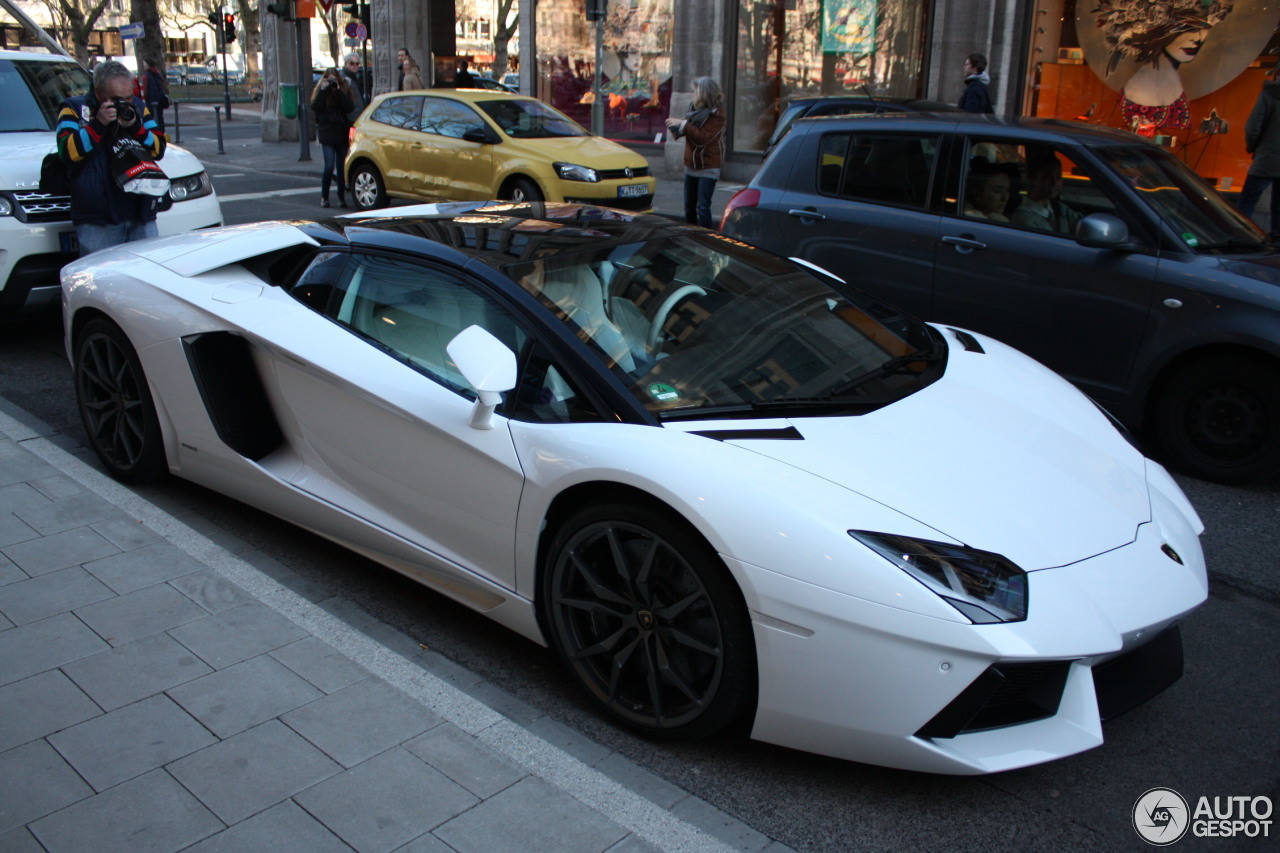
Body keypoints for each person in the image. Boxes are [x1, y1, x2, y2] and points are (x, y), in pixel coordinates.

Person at [56, 60, 166, 256]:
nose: (124, 104)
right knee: (100, 278)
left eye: (128, 98)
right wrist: (98, 124)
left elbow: (158, 149)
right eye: (115, 99)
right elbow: (67, 152)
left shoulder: (139, 108)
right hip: (97, 220)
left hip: (140, 213)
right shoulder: (73, 108)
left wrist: (135, 126)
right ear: (98, 93)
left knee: (147, 276)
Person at [1093, 0, 1232, 130]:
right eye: (1189, 28)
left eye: (1205, 28)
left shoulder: (1172, 83)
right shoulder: (1144, 88)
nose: (1199, 38)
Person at [665, 77, 726, 228]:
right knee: (689, 206)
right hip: (691, 164)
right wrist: (675, 128)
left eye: (695, 91)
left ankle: (707, 240)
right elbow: (688, 132)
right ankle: (692, 238)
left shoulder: (717, 115)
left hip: (708, 165)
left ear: (704, 93)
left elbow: (702, 138)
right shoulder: (694, 109)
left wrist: (683, 124)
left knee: (702, 207)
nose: (693, 94)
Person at [1239, 71, 1280, 237]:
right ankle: (1277, 240)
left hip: (1268, 156)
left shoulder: (1269, 94)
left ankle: (1241, 236)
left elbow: (1253, 126)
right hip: (1269, 155)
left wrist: (1253, 147)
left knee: (1248, 200)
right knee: (1278, 206)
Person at [310, 68, 355, 208]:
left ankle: (341, 197)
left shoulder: (343, 88)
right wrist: (323, 90)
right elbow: (316, 106)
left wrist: (339, 90)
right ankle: (325, 197)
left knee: (341, 167)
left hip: (341, 131)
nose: (331, 83)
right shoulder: (321, 91)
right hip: (327, 132)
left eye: (333, 80)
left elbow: (349, 107)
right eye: (329, 80)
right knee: (329, 166)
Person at [1011, 156, 1083, 234]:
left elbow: (1081, 222)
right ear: (1032, 179)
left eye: (1058, 177)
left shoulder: (1058, 208)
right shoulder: (1024, 219)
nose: (1054, 183)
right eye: (1046, 177)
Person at [140, 58, 169, 135]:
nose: (143, 65)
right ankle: (161, 132)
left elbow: (145, 90)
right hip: (159, 99)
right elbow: (163, 86)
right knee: (159, 117)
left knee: (149, 118)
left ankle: (152, 133)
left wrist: (145, 98)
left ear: (147, 65)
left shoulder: (145, 76)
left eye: (144, 64)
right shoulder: (158, 73)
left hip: (150, 100)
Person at [341, 53, 366, 122]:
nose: (355, 66)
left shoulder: (355, 77)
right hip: (350, 118)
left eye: (357, 64)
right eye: (352, 63)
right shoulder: (343, 78)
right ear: (346, 64)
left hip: (357, 116)